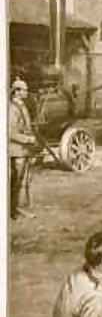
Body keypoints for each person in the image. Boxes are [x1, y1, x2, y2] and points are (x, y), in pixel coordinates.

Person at [9, 78, 38, 219]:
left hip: (24, 149)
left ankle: (18, 208)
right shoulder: (12, 109)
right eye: (24, 89)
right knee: (16, 182)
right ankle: (14, 210)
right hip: (16, 150)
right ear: (17, 92)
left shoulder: (22, 106)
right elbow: (10, 133)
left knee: (22, 180)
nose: (26, 92)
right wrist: (28, 139)